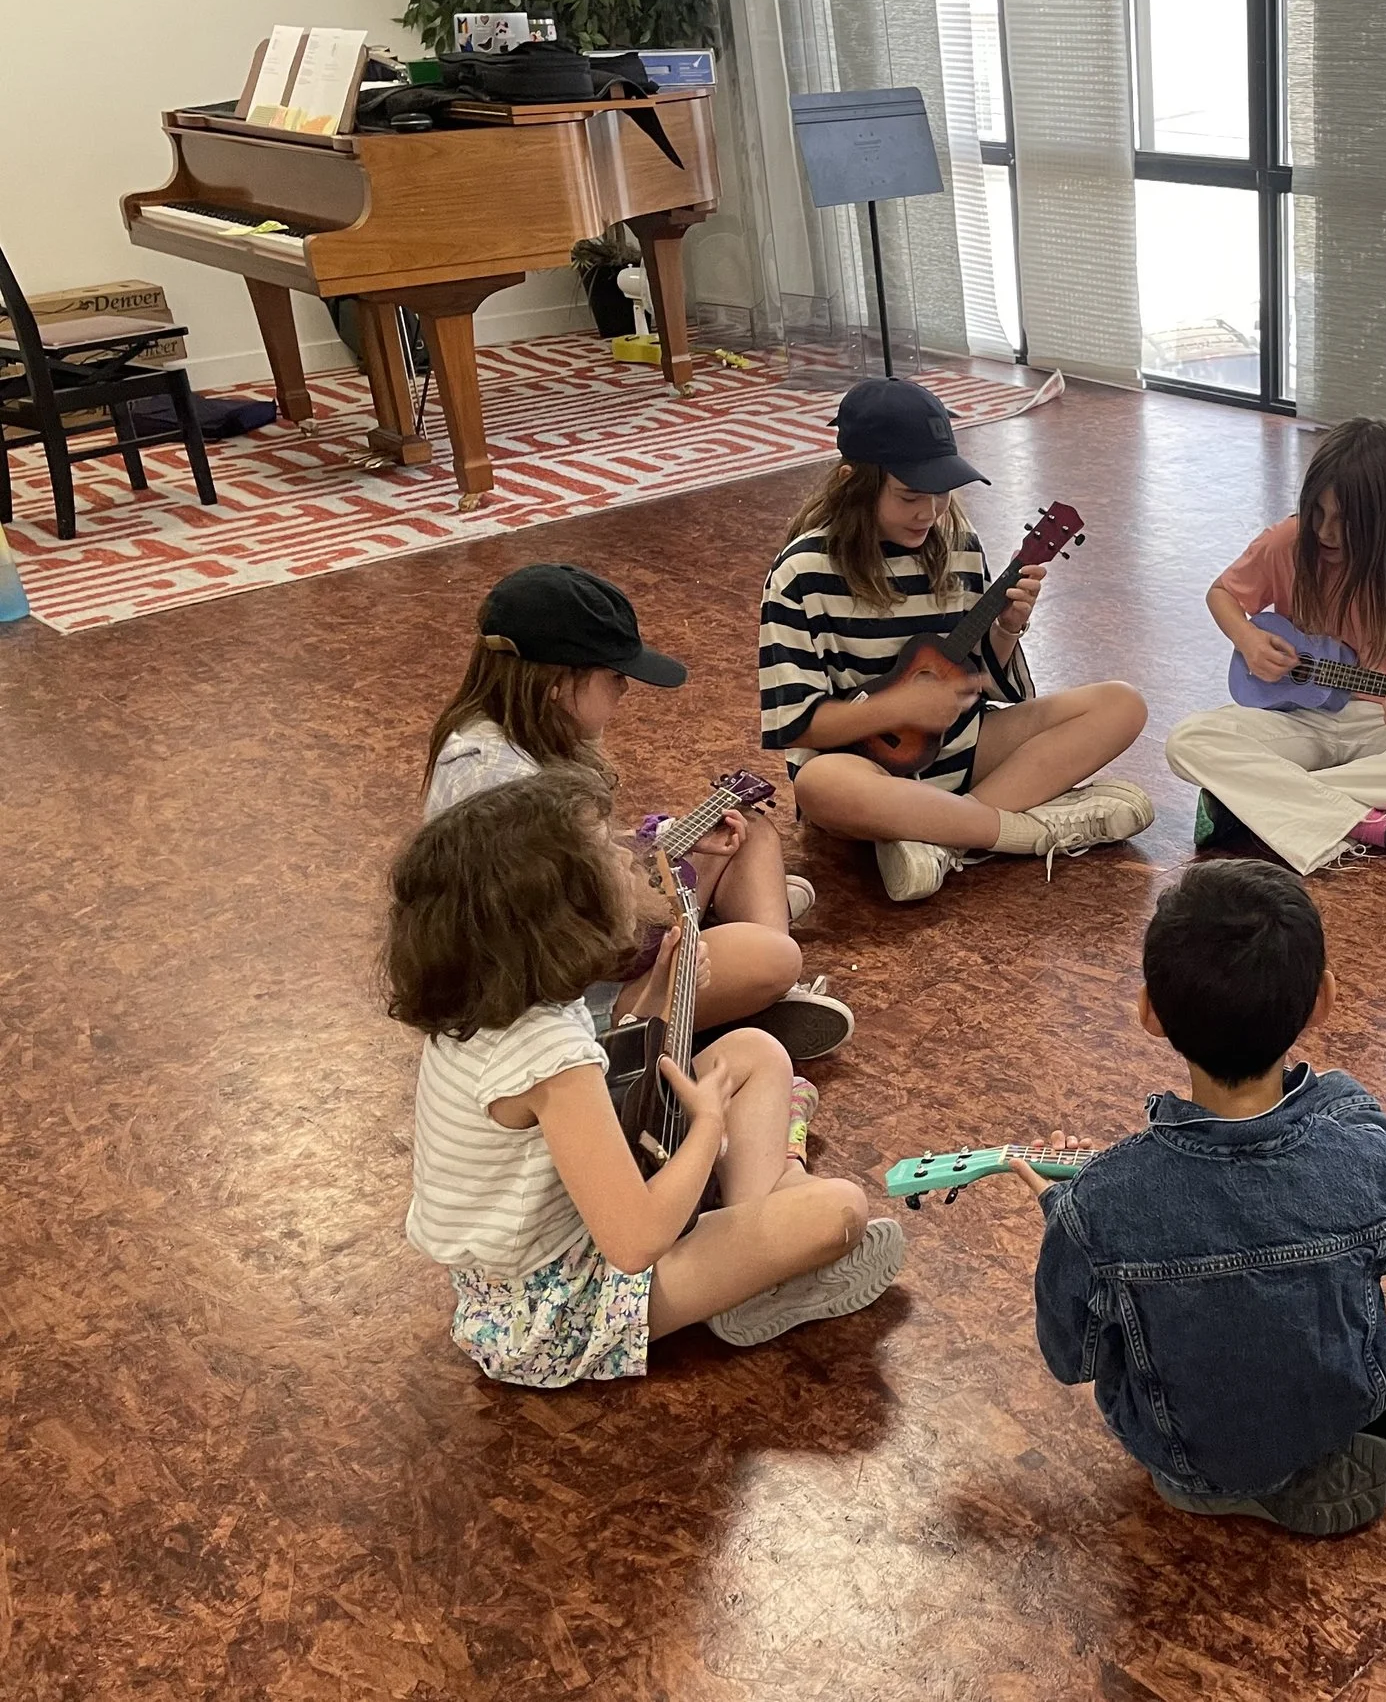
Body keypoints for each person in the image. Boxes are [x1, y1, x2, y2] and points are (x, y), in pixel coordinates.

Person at [1017, 860, 1386, 1535]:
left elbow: (1072, 1358)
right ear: (1323, 999)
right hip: (1338, 1408)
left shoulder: (1094, 1204)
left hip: (1177, 1456)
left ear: (1149, 1010)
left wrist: (1065, 1219)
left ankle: (1220, 1485)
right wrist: (1344, 1105)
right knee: (1349, 1320)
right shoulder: (1365, 1153)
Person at [392, 767, 904, 1388]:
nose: (622, 850)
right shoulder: (549, 1056)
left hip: (535, 1266)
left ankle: (755, 1247)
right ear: (565, 909)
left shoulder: (497, 1002)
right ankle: (768, 1236)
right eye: (604, 844)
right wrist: (707, 1127)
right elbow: (634, 1244)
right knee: (840, 1211)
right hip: (560, 1312)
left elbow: (620, 1066)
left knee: (755, 1050)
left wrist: (664, 985)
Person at [423, 562, 854, 1066]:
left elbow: (580, 859)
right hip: (570, 998)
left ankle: (744, 991)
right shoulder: (511, 792)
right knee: (775, 955)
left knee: (749, 830)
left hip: (589, 941)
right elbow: (594, 926)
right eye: (613, 676)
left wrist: (667, 841)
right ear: (557, 683)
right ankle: (749, 995)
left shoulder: (498, 736)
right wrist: (659, 890)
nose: (625, 688)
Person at [759, 377, 1154, 904]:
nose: (931, 511)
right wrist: (899, 706)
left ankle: (944, 847)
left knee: (1121, 704)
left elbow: (977, 681)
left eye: (943, 492)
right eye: (910, 496)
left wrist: (1008, 628)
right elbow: (796, 723)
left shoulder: (958, 546)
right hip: (867, 772)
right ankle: (1027, 832)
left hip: (963, 753)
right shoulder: (802, 573)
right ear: (854, 482)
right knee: (820, 784)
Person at [1165, 417, 1386, 879]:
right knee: (1187, 740)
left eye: (1346, 521)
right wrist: (1248, 638)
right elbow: (1222, 594)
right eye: (1318, 512)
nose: (1326, 532)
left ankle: (1253, 806)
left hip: (1385, 732)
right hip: (1298, 720)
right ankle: (1370, 824)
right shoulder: (1289, 542)